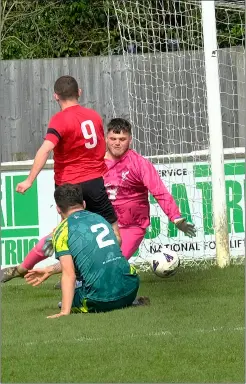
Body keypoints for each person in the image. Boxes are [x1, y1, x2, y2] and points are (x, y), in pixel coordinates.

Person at [1, 75, 120, 283]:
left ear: (55, 96)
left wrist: (29, 180)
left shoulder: (59, 120)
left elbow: (46, 149)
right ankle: (99, 274)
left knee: (66, 234)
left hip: (69, 187)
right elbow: (101, 148)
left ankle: (28, 268)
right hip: (94, 184)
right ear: (79, 92)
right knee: (114, 234)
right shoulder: (93, 116)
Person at [24, 184, 148, 318]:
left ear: (58, 209)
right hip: (131, 288)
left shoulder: (62, 230)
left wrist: (64, 311)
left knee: (68, 299)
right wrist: (50, 269)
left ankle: (105, 301)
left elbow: (69, 274)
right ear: (83, 203)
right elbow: (95, 257)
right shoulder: (100, 219)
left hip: (99, 299)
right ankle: (122, 301)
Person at [103, 118, 196, 259]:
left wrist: (175, 217)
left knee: (114, 263)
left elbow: (159, 191)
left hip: (132, 226)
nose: (117, 143)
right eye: (113, 138)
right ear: (106, 139)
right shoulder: (95, 163)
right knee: (91, 266)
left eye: (122, 139)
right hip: (103, 224)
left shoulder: (139, 164)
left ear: (130, 140)